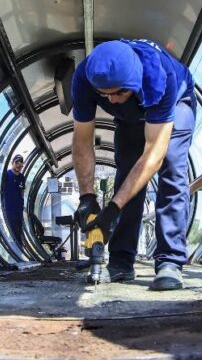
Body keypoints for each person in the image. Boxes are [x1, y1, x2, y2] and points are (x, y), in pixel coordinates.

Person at [71, 39, 195, 291]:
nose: (112, 101)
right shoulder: (83, 78)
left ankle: (169, 261)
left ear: (134, 80)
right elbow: (82, 140)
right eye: (104, 95)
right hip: (130, 117)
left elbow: (153, 154)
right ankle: (121, 262)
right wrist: (87, 197)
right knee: (127, 171)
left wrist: (114, 208)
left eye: (118, 92)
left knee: (171, 166)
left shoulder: (161, 76)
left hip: (175, 105)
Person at [2, 154, 26, 242]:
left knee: (19, 230)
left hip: (18, 209)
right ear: (12, 163)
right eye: (17, 162)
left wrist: (21, 204)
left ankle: (19, 249)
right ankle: (15, 249)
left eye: (21, 163)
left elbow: (22, 191)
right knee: (12, 231)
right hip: (9, 208)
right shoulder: (7, 175)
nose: (19, 165)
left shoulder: (22, 177)